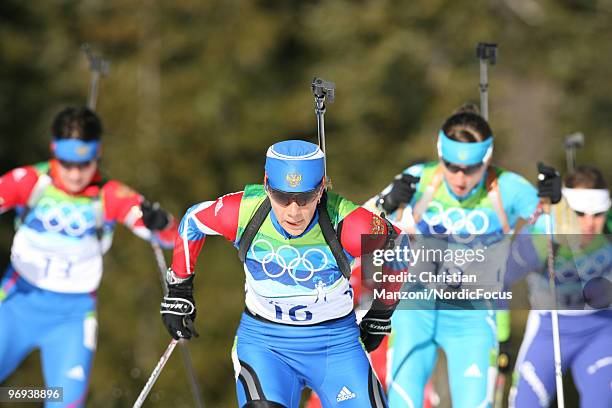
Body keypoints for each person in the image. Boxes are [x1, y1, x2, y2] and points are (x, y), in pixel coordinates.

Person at [160, 139, 405, 407]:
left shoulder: (347, 222)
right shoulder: (244, 212)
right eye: (281, 197)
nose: (293, 211)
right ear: (266, 184)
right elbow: (193, 220)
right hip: (266, 345)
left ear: (321, 188)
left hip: (335, 347)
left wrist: (382, 311)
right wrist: (179, 288)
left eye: (305, 198)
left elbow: (402, 247)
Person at [365, 104, 556, 407]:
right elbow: (355, 225)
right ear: (440, 155)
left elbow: (557, 233)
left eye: (471, 168)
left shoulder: (508, 187)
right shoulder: (419, 178)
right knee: (404, 401)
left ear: (487, 159)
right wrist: (385, 205)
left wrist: (553, 205)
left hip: (473, 316)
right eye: (451, 165)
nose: (460, 177)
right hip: (417, 309)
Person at [0, 107, 177, 407]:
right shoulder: (29, 182)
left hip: (72, 318)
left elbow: (170, 238)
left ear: (98, 154)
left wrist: (161, 222)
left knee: (63, 401)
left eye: (84, 164)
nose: (75, 173)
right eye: (66, 163)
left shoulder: (109, 195)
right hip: (16, 304)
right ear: (54, 151)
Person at [508, 164, 612, 407]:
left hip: (601, 329)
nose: (589, 224)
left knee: (601, 400)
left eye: (597, 214)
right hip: (549, 328)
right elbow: (505, 273)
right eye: (579, 214)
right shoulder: (545, 232)